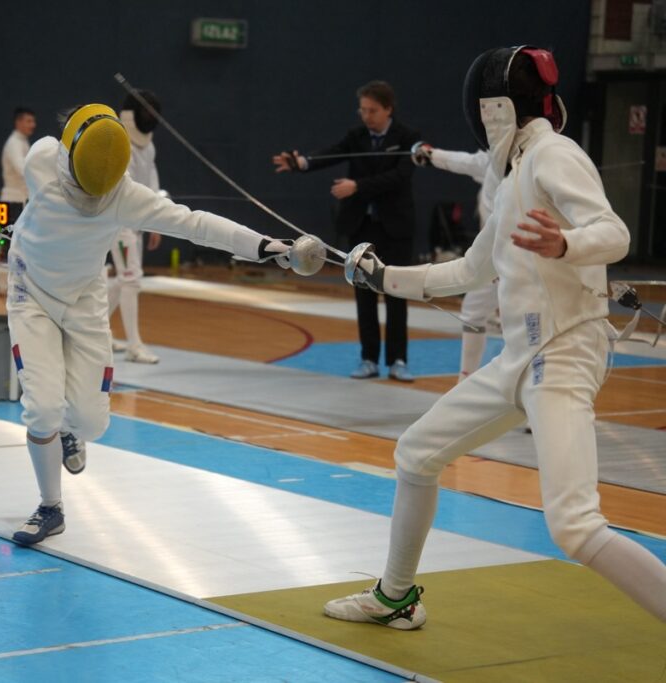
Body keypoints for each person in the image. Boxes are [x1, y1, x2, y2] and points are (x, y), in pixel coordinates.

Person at [326, 46, 666, 629]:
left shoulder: (553, 155)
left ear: (493, 109)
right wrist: (381, 277)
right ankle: (395, 596)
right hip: (521, 357)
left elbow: (614, 232)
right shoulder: (513, 177)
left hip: (563, 353)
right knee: (416, 453)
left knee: (574, 524)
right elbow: (467, 271)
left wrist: (565, 244)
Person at [8, 104, 292, 545]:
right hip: (31, 293)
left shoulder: (123, 192)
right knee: (42, 409)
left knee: (91, 424)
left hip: (84, 298)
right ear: (67, 157)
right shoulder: (40, 157)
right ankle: (50, 507)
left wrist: (262, 245)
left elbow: (194, 223)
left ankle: (71, 433)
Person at [274, 81, 418, 382]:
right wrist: (301, 163)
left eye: (372, 111)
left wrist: (358, 186)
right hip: (361, 227)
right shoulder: (356, 136)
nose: (366, 116)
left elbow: (399, 176)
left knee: (396, 293)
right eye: (362, 110)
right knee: (364, 295)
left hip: (395, 228)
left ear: (388, 109)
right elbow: (331, 154)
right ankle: (368, 359)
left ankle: (398, 360)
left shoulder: (407, 137)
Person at [411, 143, 501, 381]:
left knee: (526, 323)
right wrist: (432, 155)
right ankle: (466, 380)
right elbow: (466, 161)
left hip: (522, 257)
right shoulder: (495, 159)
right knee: (473, 312)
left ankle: (533, 389)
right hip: (491, 256)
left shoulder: (525, 161)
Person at [107, 90, 164, 364]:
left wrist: (156, 222)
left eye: (153, 112)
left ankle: (98, 331)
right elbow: (125, 188)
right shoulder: (120, 144)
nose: (149, 117)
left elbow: (151, 181)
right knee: (131, 278)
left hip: (137, 222)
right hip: (119, 223)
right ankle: (134, 346)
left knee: (124, 280)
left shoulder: (148, 147)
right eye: (145, 112)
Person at [0, 106, 35, 203]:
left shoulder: (23, 141)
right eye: (29, 121)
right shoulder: (14, 143)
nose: (33, 125)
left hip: (22, 197)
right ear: (18, 122)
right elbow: (22, 170)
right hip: (14, 199)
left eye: (33, 121)